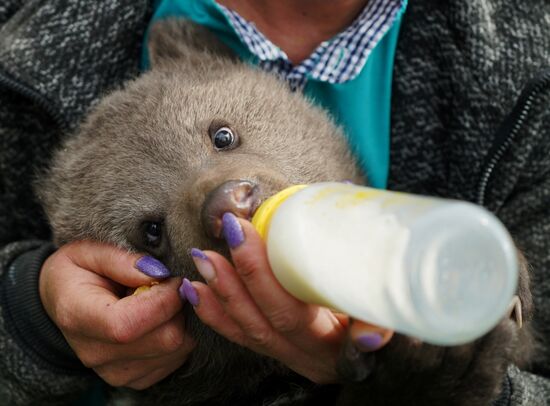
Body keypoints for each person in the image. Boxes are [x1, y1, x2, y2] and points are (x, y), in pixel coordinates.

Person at [0, 0, 549, 404]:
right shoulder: (21, 32)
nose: (220, 202)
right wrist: (34, 315)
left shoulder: (529, 61)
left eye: (222, 140)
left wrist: (446, 381)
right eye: (152, 235)